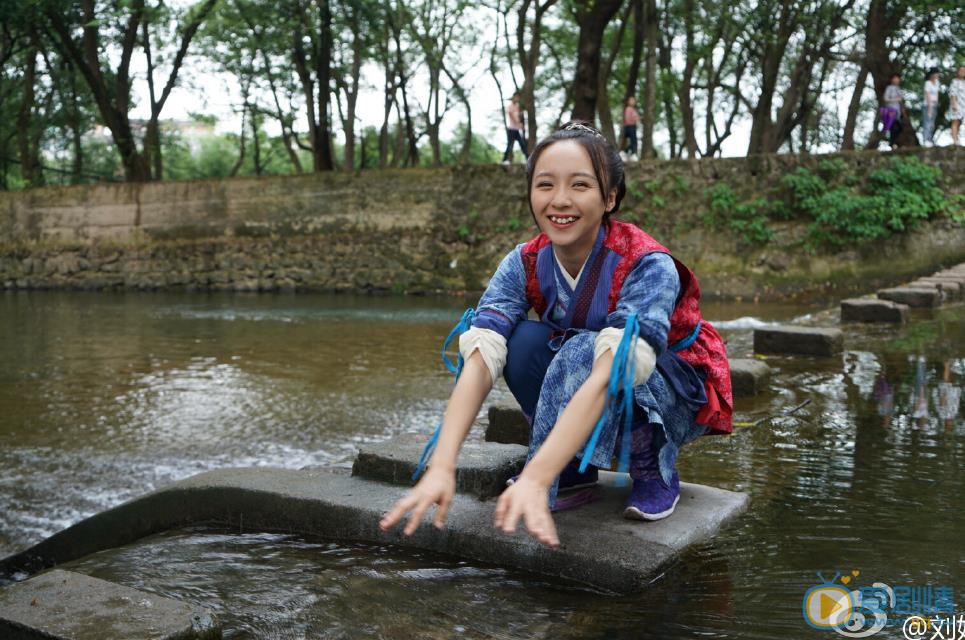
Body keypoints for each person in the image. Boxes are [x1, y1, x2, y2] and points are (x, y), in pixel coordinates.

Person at [380, 122, 732, 547]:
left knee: (586, 348)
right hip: (582, 368)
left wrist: (535, 474)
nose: (560, 200)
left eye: (580, 185)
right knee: (522, 343)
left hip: (670, 383)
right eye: (545, 185)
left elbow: (616, 365)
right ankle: (573, 470)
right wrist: (443, 463)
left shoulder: (646, 262)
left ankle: (651, 463)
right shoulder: (524, 261)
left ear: (610, 197)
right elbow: (483, 352)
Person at [502, 92, 528, 164]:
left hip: (516, 130)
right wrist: (518, 124)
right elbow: (512, 117)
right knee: (510, 145)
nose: (517, 99)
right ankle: (504, 160)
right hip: (511, 129)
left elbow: (518, 116)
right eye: (516, 97)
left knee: (522, 144)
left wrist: (521, 116)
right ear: (513, 97)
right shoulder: (510, 107)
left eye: (518, 97)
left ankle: (528, 159)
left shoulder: (517, 106)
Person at [880, 74, 904, 150]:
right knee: (894, 127)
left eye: (898, 79)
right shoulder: (889, 88)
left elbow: (901, 101)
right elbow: (886, 99)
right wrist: (895, 99)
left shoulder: (898, 89)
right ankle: (892, 143)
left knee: (899, 127)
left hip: (898, 112)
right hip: (891, 110)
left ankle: (892, 143)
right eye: (895, 78)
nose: (897, 80)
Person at [922, 67, 940, 146]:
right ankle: (925, 140)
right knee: (927, 122)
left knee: (932, 123)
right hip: (927, 105)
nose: (937, 75)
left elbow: (937, 94)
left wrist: (936, 103)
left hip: (934, 104)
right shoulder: (928, 83)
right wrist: (929, 108)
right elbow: (928, 96)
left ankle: (930, 139)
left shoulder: (937, 82)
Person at [948, 66, 965, 146]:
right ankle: (954, 140)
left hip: (963, 106)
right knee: (955, 122)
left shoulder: (964, 82)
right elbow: (952, 94)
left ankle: (957, 138)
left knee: (959, 123)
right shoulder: (954, 81)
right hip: (956, 104)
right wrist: (954, 104)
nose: (963, 72)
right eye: (961, 70)